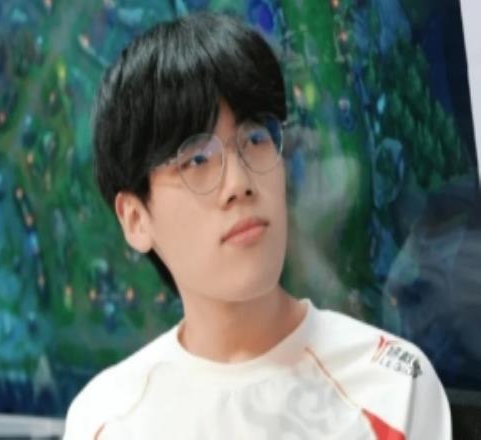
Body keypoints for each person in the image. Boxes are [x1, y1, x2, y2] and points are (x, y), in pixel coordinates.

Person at [63, 12, 451, 439]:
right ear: (136, 218)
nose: (239, 183)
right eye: (197, 159)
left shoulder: (392, 390)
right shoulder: (105, 420)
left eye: (255, 138)